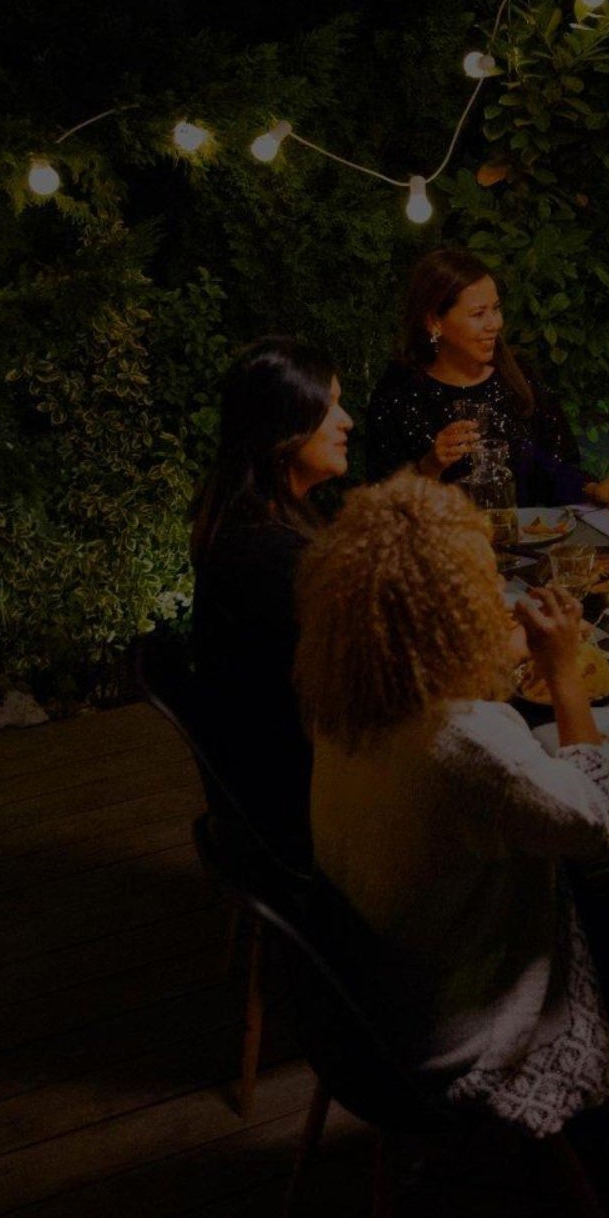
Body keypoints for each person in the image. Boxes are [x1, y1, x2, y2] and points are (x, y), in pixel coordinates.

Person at [294, 471, 609, 1138]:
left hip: (358, 1000)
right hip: (454, 1042)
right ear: (449, 610)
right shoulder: (462, 743)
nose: (499, 595)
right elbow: (595, 821)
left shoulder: (346, 691)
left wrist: (497, 655)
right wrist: (561, 671)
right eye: (485, 584)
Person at [190, 337, 352, 864]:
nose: (346, 421)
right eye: (328, 408)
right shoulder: (269, 555)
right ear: (283, 428)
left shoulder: (258, 521)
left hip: (278, 779)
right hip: (299, 803)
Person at [366, 247, 609, 508]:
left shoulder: (517, 375)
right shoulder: (400, 394)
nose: (495, 323)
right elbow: (383, 504)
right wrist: (430, 466)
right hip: (445, 546)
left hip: (529, 541)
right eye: (478, 314)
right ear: (435, 322)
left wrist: (592, 489)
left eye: (496, 309)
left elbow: (554, 466)